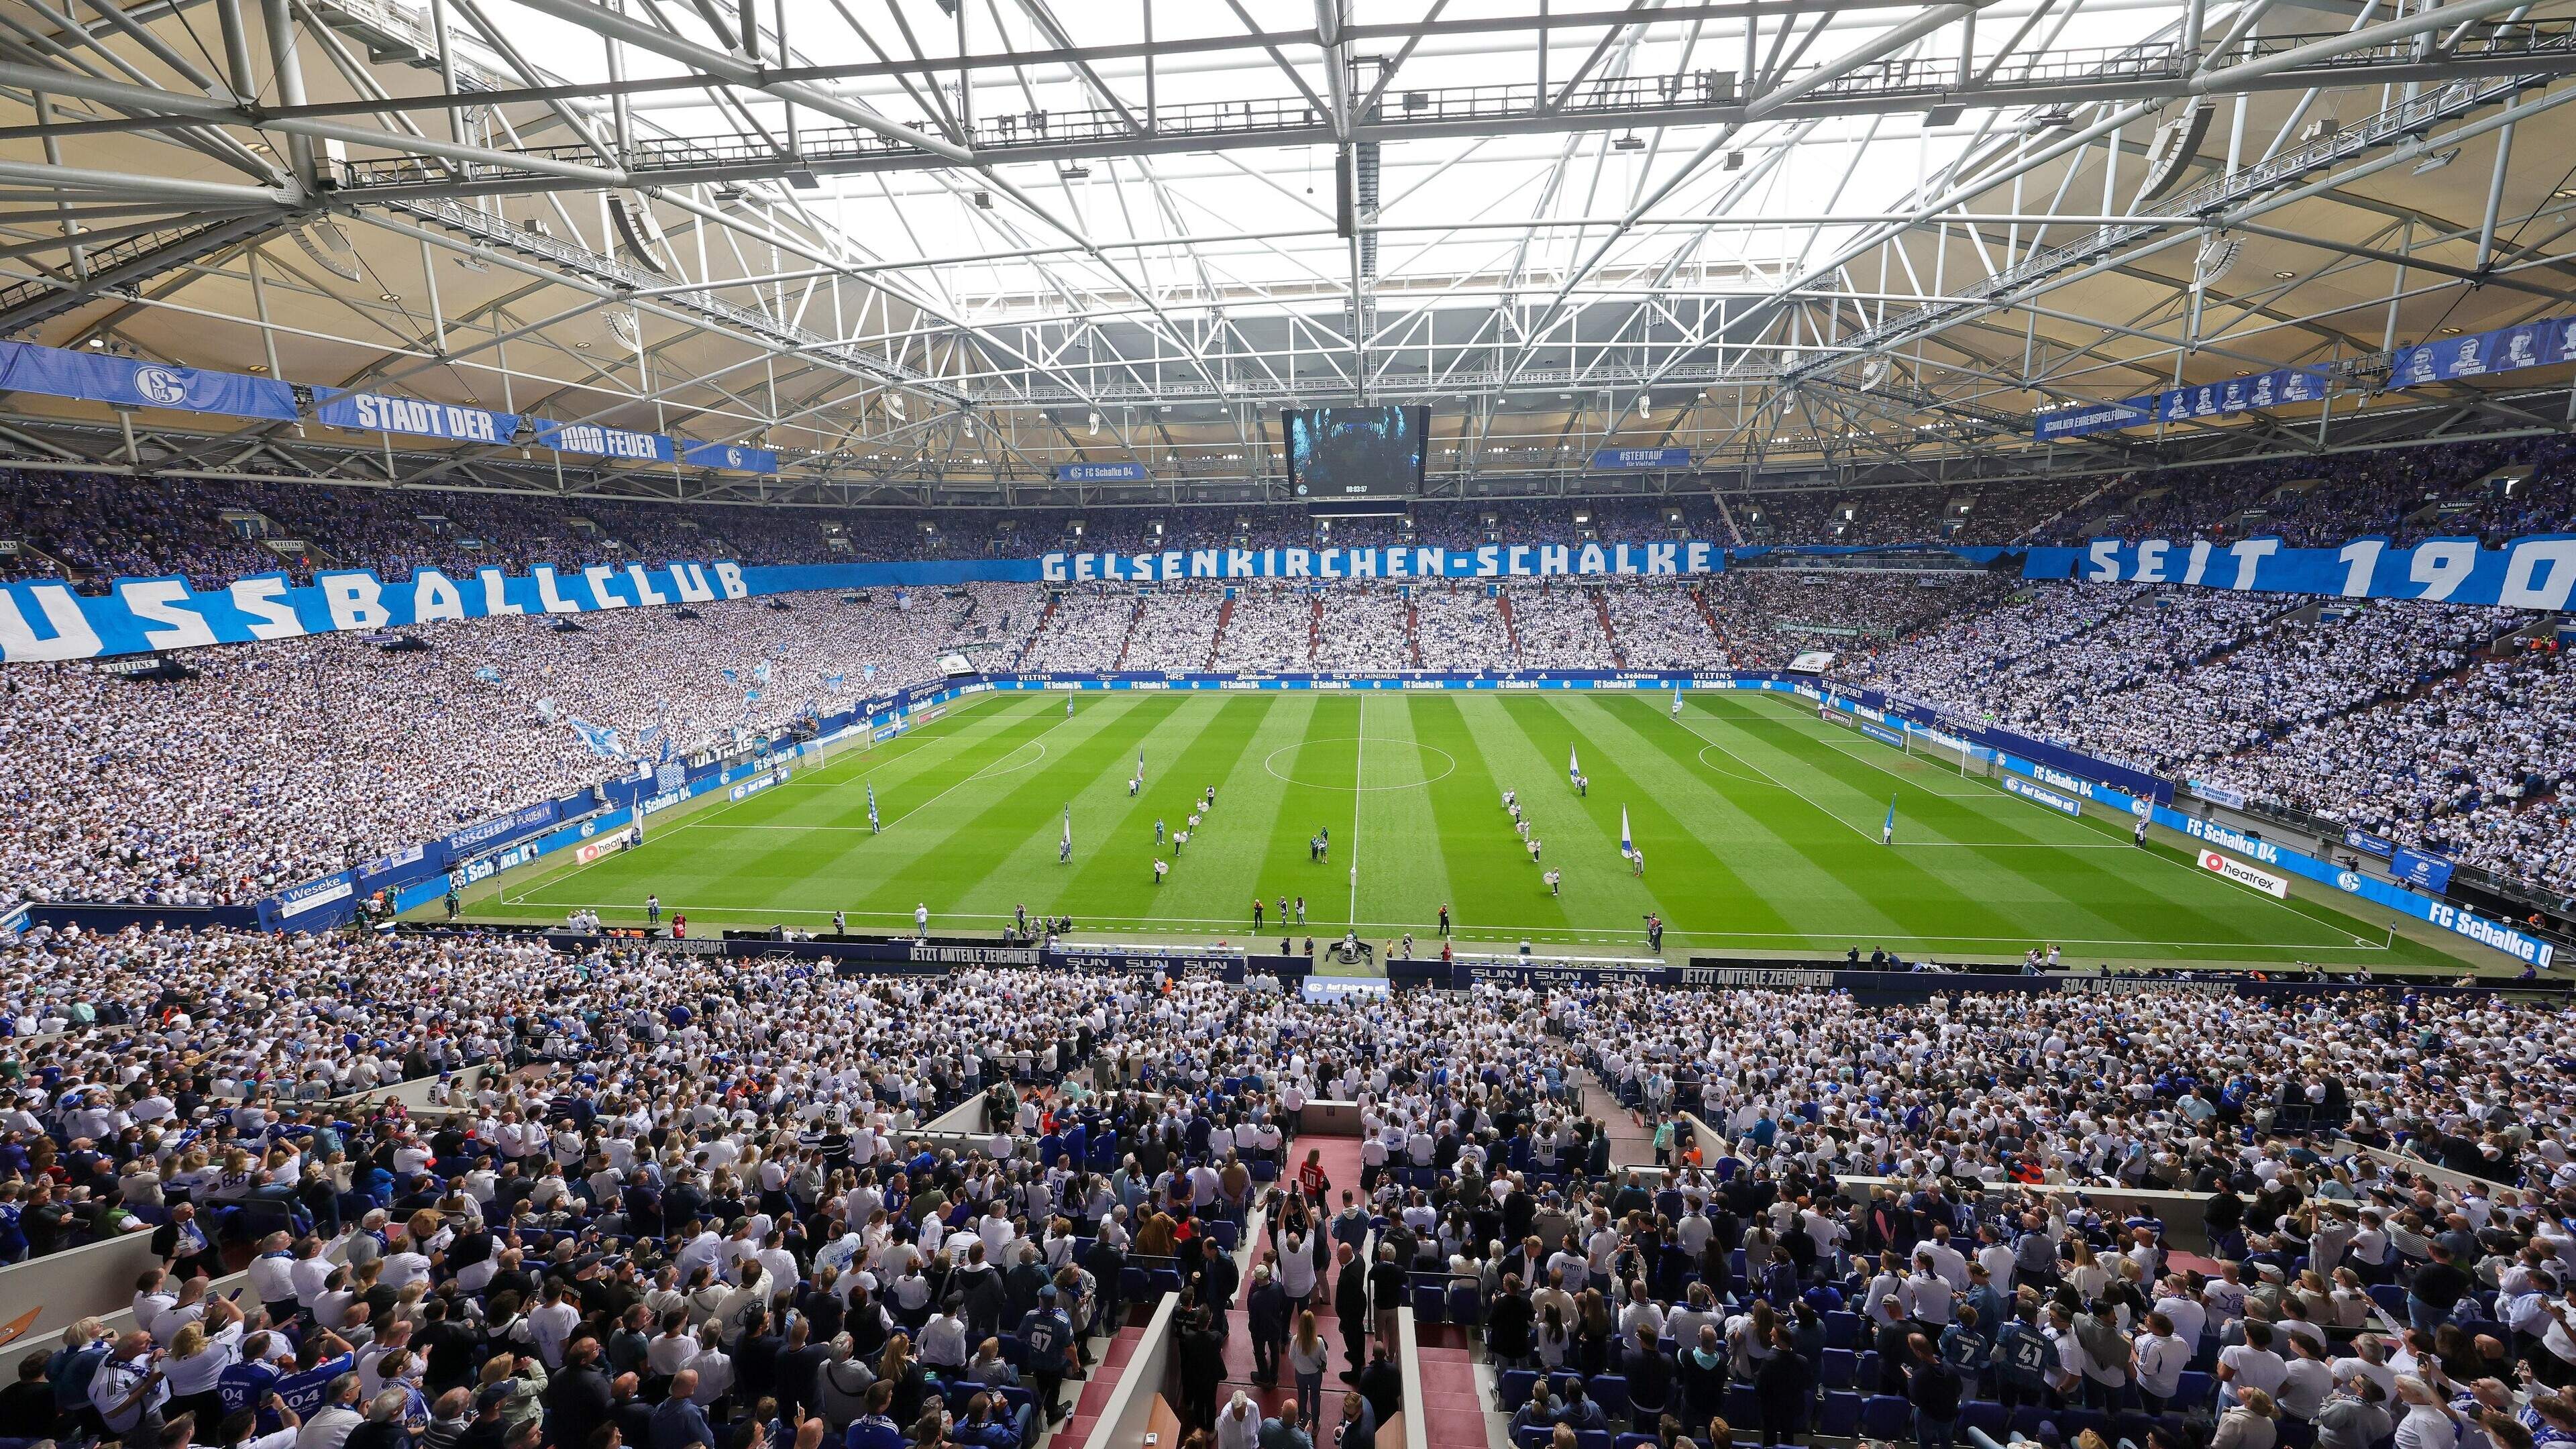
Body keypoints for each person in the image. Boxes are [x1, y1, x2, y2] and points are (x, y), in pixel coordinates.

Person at [1287, 1313, 1329, 1432]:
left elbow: (1291, 1357)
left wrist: (1300, 1364)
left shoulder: (1295, 1340)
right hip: (1315, 1374)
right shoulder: (1319, 1342)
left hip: (1300, 1373)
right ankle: (1315, 1425)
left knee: (1302, 1396)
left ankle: (1302, 1421)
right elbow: (1324, 1359)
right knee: (1315, 1398)